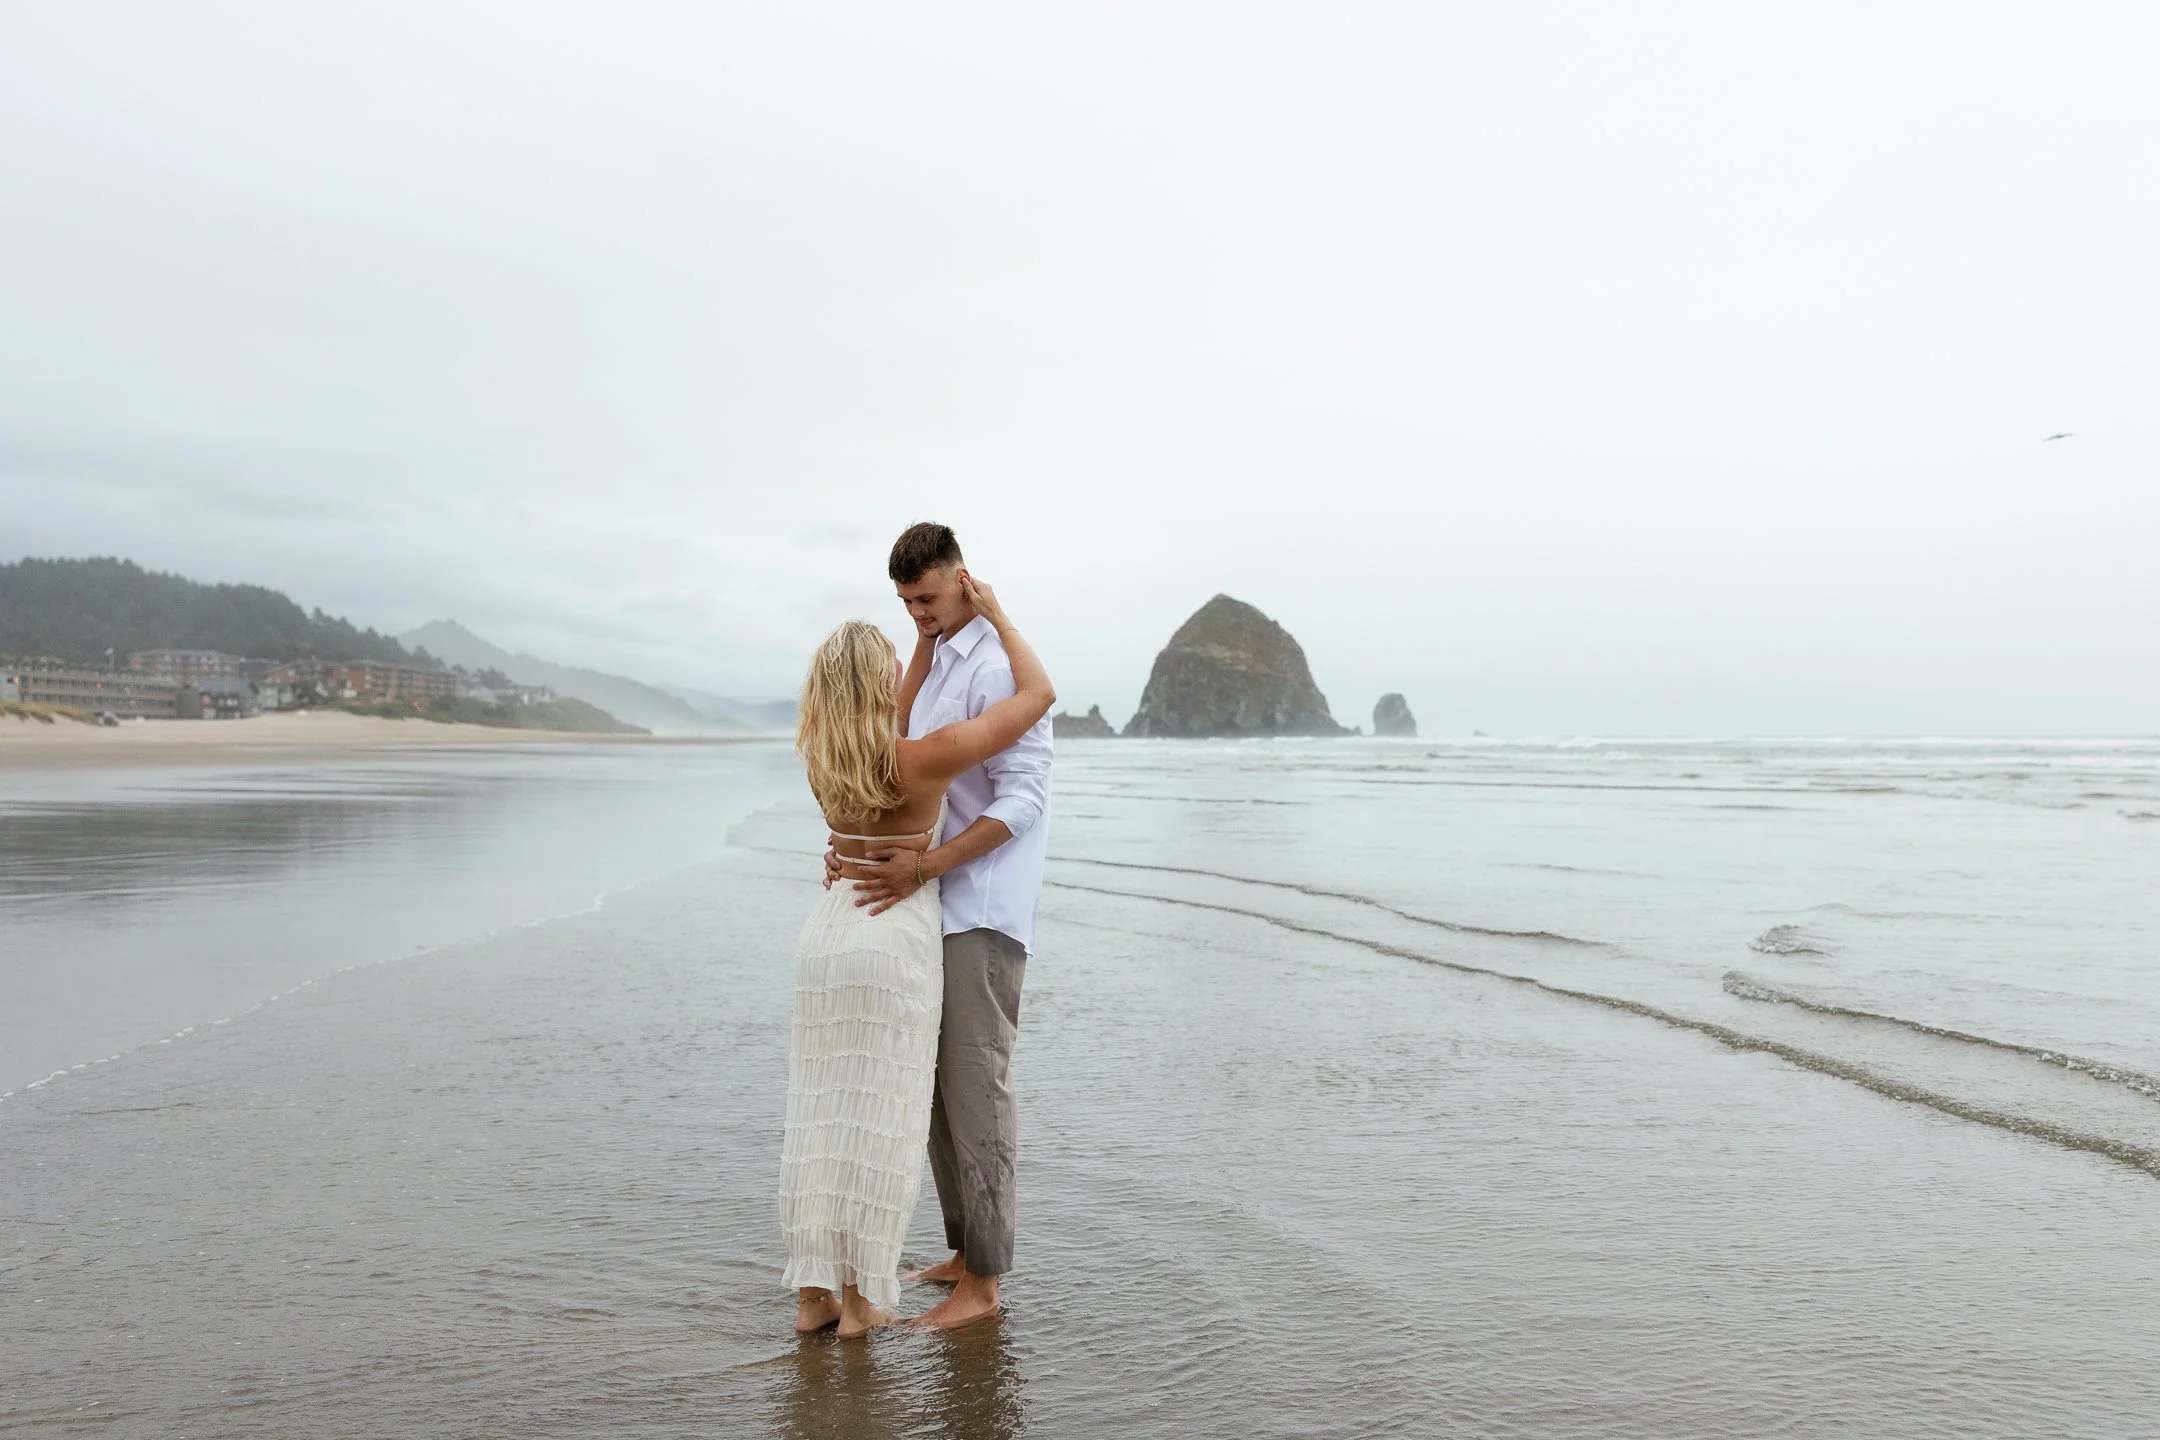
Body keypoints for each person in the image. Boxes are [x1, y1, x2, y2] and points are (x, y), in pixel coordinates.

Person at [781, 568, 1053, 1338]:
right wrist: (994, 610)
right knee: (885, 1122)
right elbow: (1036, 701)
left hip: (827, 937)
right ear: (884, 681)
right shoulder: (920, 758)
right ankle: (865, 1304)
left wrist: (921, 646)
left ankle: (814, 1297)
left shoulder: (820, 761)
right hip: (893, 938)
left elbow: (878, 719)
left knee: (821, 1116)